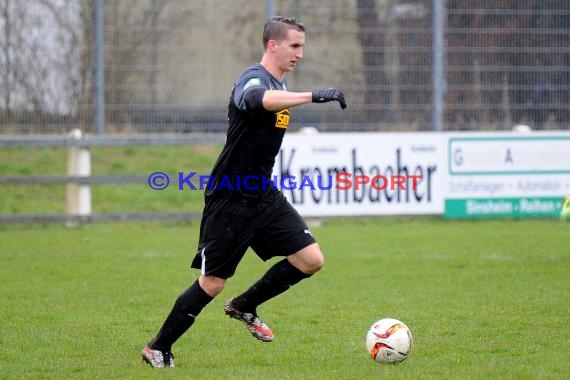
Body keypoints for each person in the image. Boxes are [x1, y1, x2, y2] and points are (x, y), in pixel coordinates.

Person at [141, 15, 346, 368]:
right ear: (273, 45)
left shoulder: (278, 85)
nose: (300, 54)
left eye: (302, 47)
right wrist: (312, 96)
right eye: (294, 46)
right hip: (230, 196)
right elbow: (252, 98)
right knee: (212, 282)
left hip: (262, 194)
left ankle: (245, 305)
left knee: (311, 260)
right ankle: (157, 347)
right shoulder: (254, 77)